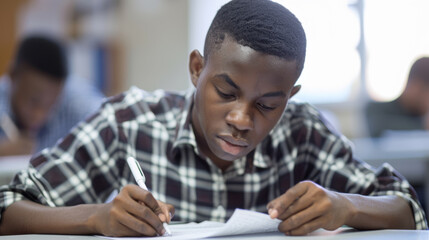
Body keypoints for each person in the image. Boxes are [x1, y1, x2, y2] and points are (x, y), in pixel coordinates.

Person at [0, 0, 426, 237]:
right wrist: (95, 217)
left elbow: (409, 209)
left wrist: (346, 206)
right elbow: (8, 208)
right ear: (196, 70)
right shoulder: (127, 123)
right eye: (225, 93)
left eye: (267, 105)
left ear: (289, 98)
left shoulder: (304, 132)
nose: (242, 119)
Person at [0, 35, 105, 156]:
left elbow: (111, 125)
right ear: (13, 76)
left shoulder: (75, 100)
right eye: (34, 101)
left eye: (50, 104)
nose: (39, 114)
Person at [366, 57, 429, 137]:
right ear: (416, 86)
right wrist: (423, 126)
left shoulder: (421, 115)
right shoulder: (376, 109)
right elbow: (377, 128)